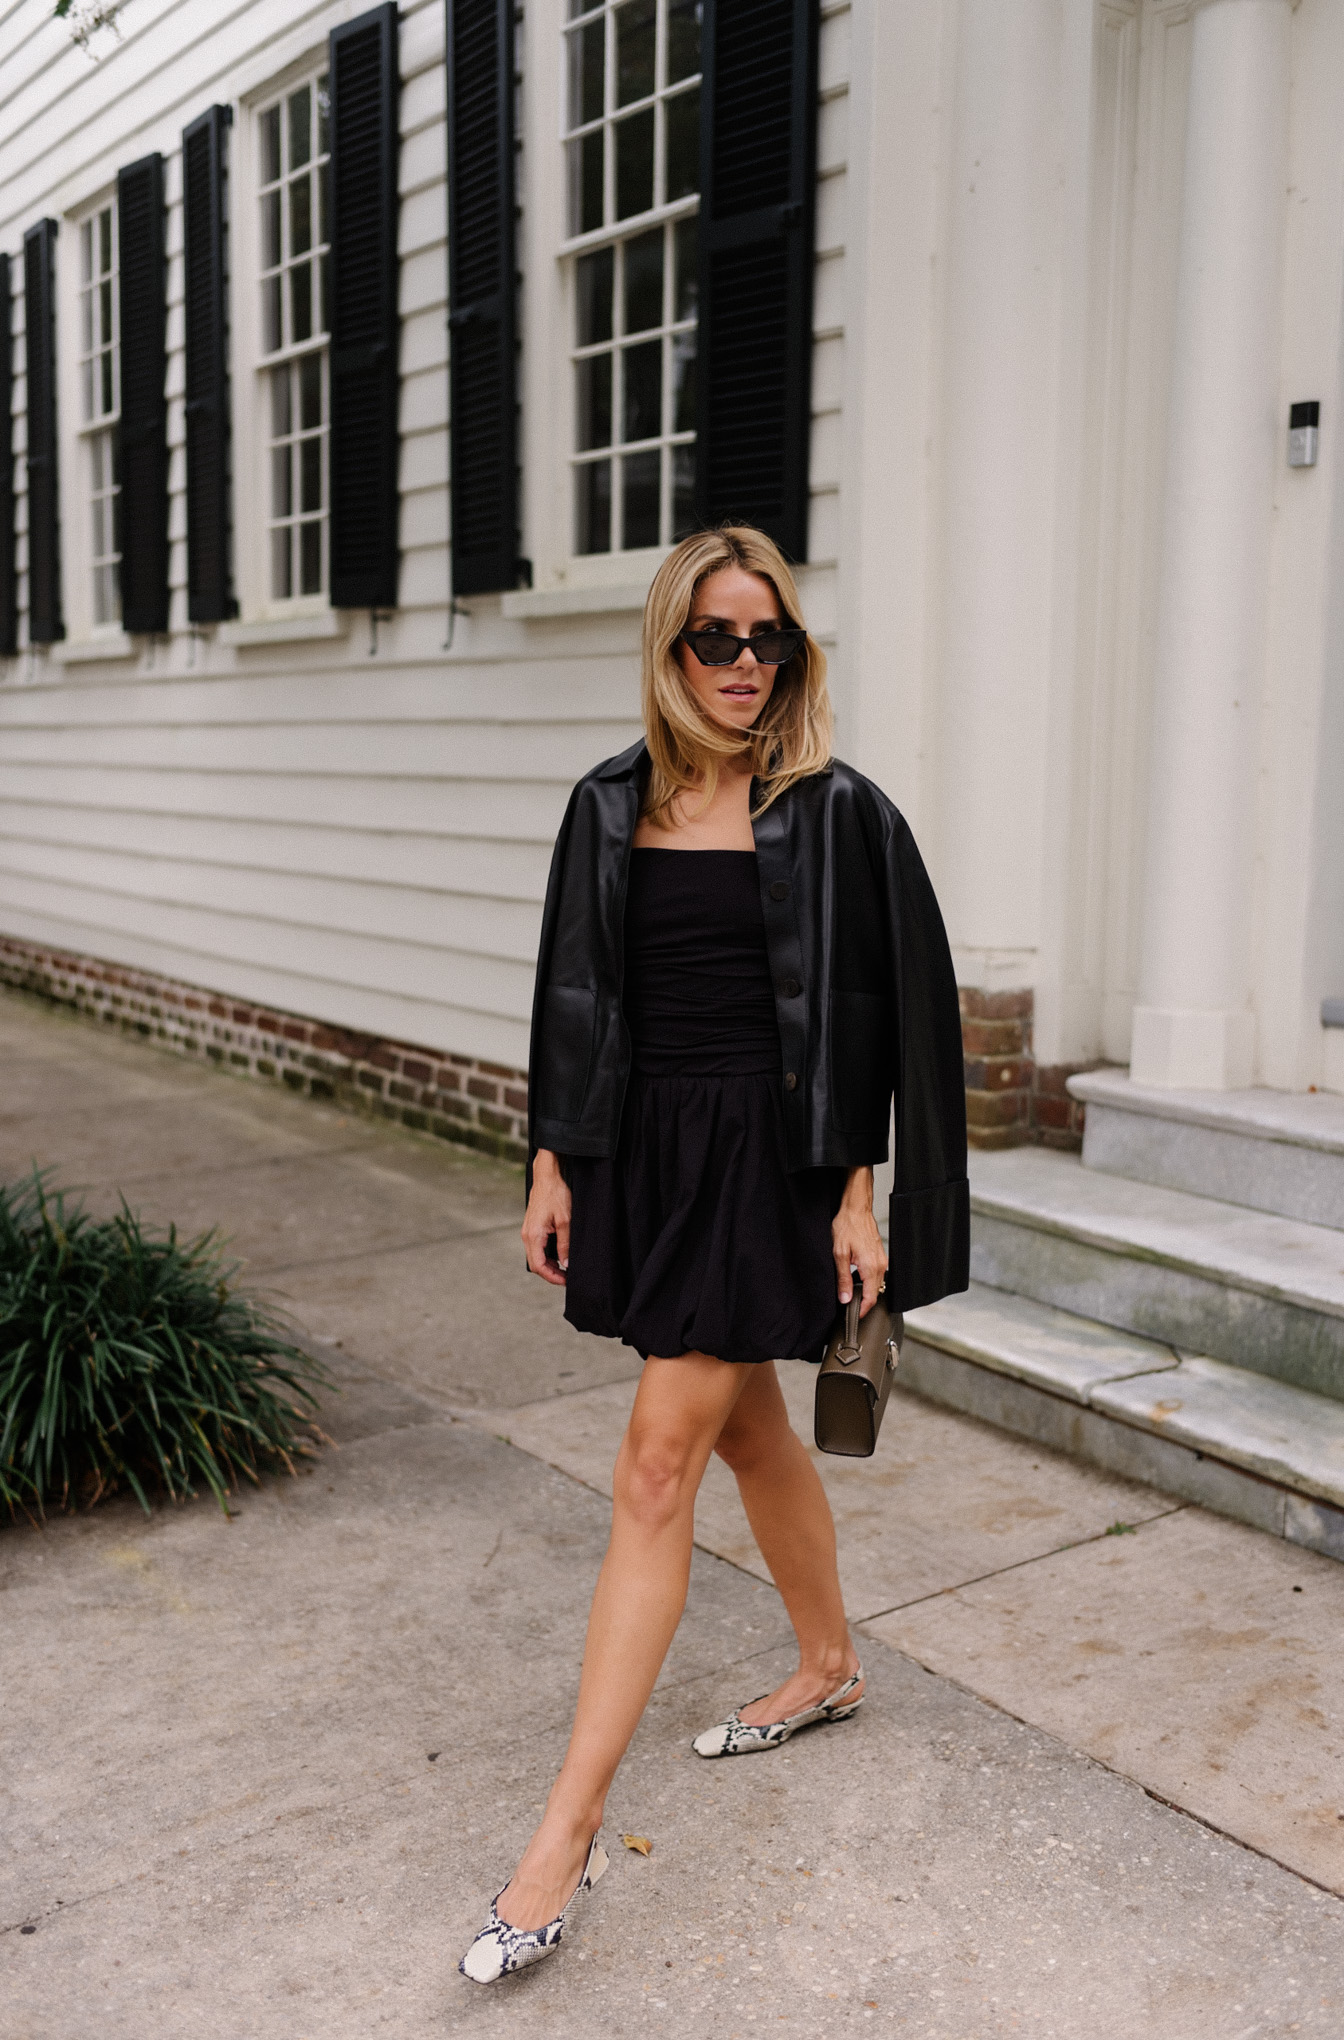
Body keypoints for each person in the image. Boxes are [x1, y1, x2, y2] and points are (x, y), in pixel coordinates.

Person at [460, 524, 968, 1984]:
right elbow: (574, 989)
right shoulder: (608, 805)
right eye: (717, 640)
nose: (747, 667)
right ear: (670, 647)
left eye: (771, 643)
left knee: (653, 1465)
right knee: (747, 1435)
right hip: (651, 1154)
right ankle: (828, 1666)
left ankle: (562, 1836)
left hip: (770, 1160)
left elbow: (869, 1018)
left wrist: (858, 1195)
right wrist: (555, 1159)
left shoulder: (836, 813)